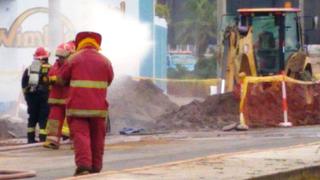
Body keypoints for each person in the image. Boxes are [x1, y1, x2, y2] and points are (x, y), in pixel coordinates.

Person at [58, 31, 114, 176]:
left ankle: (83, 167)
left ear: (79, 44)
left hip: (77, 108)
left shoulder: (73, 59)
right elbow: (109, 80)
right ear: (96, 45)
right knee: (97, 138)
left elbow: (61, 79)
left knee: (81, 137)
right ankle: (96, 168)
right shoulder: (105, 61)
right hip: (99, 109)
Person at [43, 42, 75, 149]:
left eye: (62, 56)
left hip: (69, 98)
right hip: (56, 98)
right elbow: (51, 75)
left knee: (73, 120)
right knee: (54, 120)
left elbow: (66, 79)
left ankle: (76, 141)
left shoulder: (72, 65)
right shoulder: (56, 65)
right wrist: (49, 79)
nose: (60, 58)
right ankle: (53, 140)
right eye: (58, 56)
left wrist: (55, 79)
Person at [22, 47, 51, 143]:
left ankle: (30, 139)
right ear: (46, 57)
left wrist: (27, 98)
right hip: (45, 97)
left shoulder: (29, 69)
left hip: (31, 97)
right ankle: (43, 139)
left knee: (32, 118)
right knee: (44, 118)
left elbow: (24, 85)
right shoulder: (50, 68)